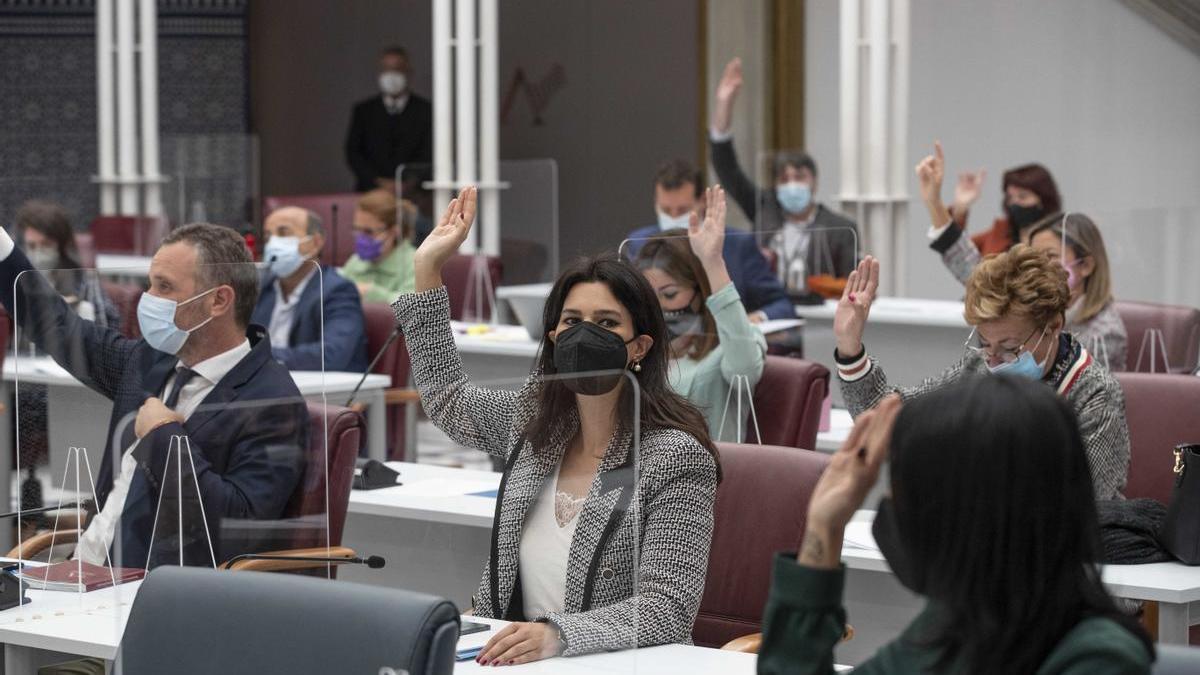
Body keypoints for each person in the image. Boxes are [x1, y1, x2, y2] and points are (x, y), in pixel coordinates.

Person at [392, 187, 719, 665]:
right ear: (552, 337)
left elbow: (666, 610)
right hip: (510, 660)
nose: (586, 334)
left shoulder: (674, 457)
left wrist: (557, 635)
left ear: (640, 346)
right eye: (572, 321)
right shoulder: (534, 424)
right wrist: (428, 270)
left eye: (607, 322)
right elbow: (448, 399)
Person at [758, 381, 1154, 674]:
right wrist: (824, 528)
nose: (895, 512)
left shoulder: (1097, 659)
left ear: (967, 516)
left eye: (906, 494)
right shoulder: (948, 627)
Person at [0, 222, 307, 569]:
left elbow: (237, 525)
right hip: (87, 571)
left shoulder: (271, 400)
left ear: (218, 300)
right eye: (150, 283)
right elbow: (57, 327)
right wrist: (3, 253)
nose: (148, 298)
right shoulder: (150, 360)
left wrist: (164, 437)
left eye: (164, 287)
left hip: (163, 590)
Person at [833, 247, 1130, 501]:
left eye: (1010, 347)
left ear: (1053, 326)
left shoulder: (1095, 394)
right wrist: (850, 347)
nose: (995, 359)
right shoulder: (979, 369)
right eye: (986, 344)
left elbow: (1081, 503)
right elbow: (886, 421)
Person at [709, 58, 859, 296]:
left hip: (819, 320)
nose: (792, 185)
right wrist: (723, 105)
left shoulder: (840, 228)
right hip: (767, 312)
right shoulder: (764, 209)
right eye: (784, 178)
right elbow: (726, 168)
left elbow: (851, 289)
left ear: (814, 182)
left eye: (799, 176)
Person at [634, 187, 766, 442]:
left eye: (670, 294)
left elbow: (745, 369)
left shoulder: (733, 343)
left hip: (707, 473)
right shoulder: (642, 348)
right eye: (651, 297)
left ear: (700, 290)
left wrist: (712, 262)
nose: (658, 307)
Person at [623, 159, 792, 321]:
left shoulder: (739, 244)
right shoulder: (639, 242)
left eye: (682, 210)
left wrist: (754, 319)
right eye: (665, 210)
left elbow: (782, 305)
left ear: (703, 201)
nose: (673, 218)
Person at [922, 140, 1063, 283]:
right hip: (994, 302)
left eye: (1023, 196)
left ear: (1043, 199)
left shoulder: (1062, 235)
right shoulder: (999, 233)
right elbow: (959, 254)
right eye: (1010, 197)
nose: (1015, 203)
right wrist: (957, 208)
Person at [251, 206, 368, 372]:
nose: (272, 243)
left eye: (283, 233)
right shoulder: (262, 286)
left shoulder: (337, 291)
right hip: (268, 384)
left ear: (315, 243)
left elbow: (331, 356)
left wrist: (257, 358)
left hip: (327, 392)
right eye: (268, 236)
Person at [1028, 214, 1127, 372]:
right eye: (1033, 257)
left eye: (1051, 256)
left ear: (1085, 265)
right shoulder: (1032, 315)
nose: (1037, 267)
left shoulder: (1103, 335)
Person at [12, 199, 119, 329]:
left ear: (61, 245)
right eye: (32, 246)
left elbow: (106, 330)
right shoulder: (16, 280)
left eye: (46, 245)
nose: (38, 253)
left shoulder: (84, 280)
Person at [345, 45, 433, 193]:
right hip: (371, 193)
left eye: (397, 69)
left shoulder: (425, 110)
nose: (392, 75)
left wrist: (410, 183)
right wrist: (378, 182)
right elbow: (353, 152)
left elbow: (430, 152)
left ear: (408, 73)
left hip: (416, 195)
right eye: (386, 69)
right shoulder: (364, 111)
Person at [339, 188, 417, 303]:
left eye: (368, 232)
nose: (361, 238)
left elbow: (416, 310)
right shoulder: (356, 261)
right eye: (357, 230)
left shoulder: (415, 263)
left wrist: (371, 293)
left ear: (394, 232)